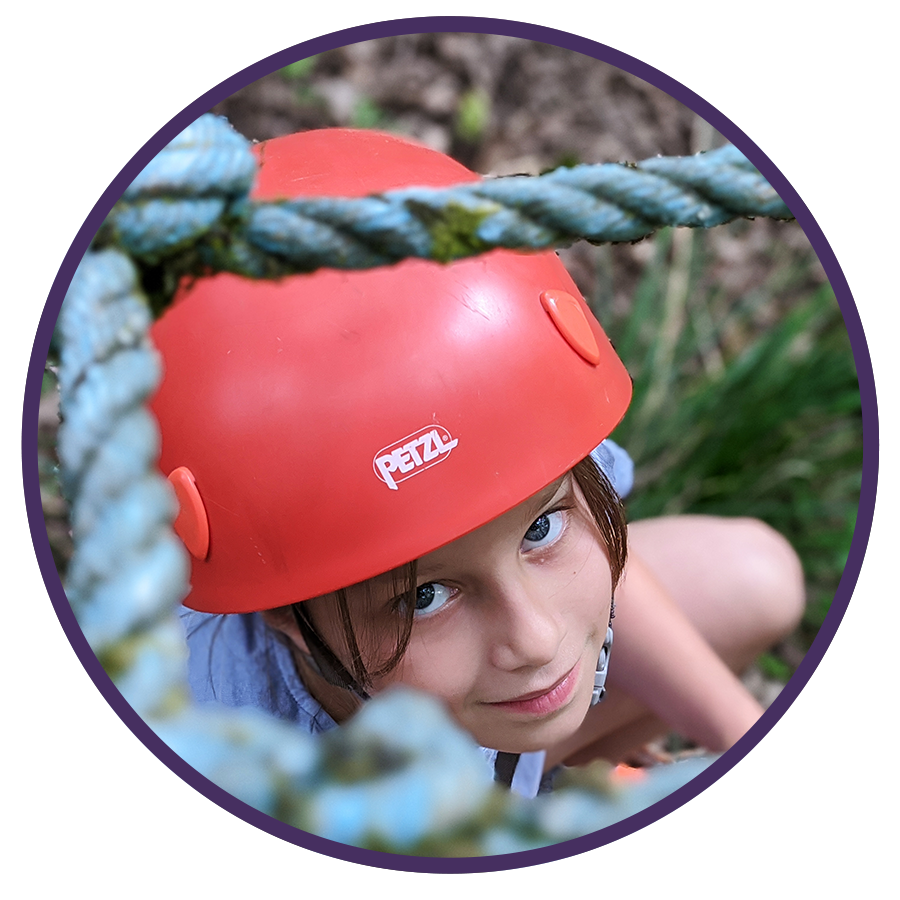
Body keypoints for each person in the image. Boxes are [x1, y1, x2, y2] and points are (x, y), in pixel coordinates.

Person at [150, 127, 805, 799]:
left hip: (449, 725)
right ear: (284, 615)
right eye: (424, 597)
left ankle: (526, 765)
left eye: (540, 530)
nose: (538, 637)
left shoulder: (496, 424)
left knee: (754, 578)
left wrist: (744, 737)